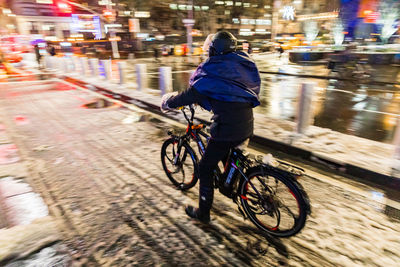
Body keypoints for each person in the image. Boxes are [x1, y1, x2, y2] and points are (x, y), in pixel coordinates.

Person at [160, 31, 261, 223]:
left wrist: (168, 103)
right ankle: (230, 183)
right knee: (226, 156)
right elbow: (228, 91)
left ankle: (203, 213)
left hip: (227, 130)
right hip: (246, 125)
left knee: (205, 168)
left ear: (215, 50)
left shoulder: (214, 69)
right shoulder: (240, 64)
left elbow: (189, 95)